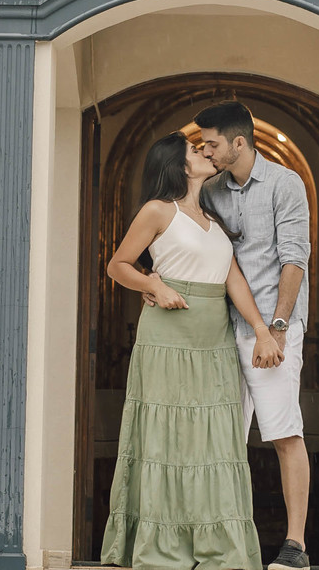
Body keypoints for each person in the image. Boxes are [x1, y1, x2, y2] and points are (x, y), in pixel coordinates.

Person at [100, 131, 283, 570]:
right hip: (167, 338)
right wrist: (153, 284)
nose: (204, 153)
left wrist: (262, 330)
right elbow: (117, 265)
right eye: (194, 150)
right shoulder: (157, 210)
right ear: (178, 165)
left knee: (214, 441)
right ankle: (162, 547)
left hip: (214, 340)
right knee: (166, 439)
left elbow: (233, 279)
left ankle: (218, 546)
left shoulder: (212, 218)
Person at [197, 101, 313, 570]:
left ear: (239, 142)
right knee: (224, 442)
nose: (206, 151)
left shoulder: (286, 184)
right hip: (223, 331)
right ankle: (225, 544)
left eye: (212, 143)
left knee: (283, 432)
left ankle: (296, 547)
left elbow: (294, 259)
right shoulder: (210, 191)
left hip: (274, 331)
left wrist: (278, 330)